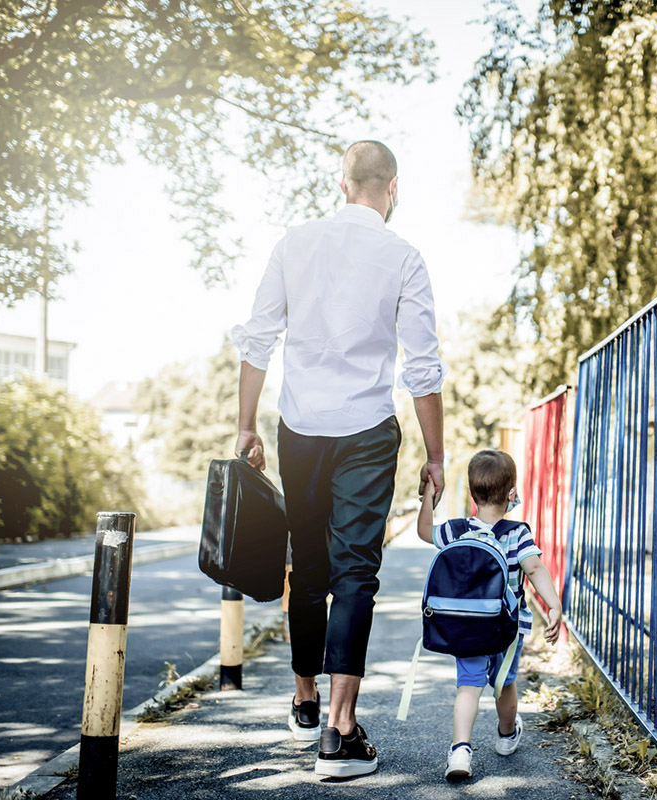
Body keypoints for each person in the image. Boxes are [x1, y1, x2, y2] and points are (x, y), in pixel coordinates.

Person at [231, 140, 446, 779]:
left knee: (309, 561)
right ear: (393, 187)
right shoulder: (404, 256)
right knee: (355, 571)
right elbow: (423, 368)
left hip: (299, 426)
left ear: (342, 183)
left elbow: (258, 338)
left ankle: (304, 696)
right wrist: (437, 456)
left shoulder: (293, 243)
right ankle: (339, 732)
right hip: (366, 430)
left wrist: (246, 425)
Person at [416, 449, 562, 781]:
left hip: (465, 626)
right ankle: (506, 735)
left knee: (468, 686)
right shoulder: (517, 533)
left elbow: (425, 531)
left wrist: (429, 495)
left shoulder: (455, 530)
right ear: (512, 494)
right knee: (504, 685)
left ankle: (460, 751)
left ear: (471, 493)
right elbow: (535, 568)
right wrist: (553, 605)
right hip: (507, 630)